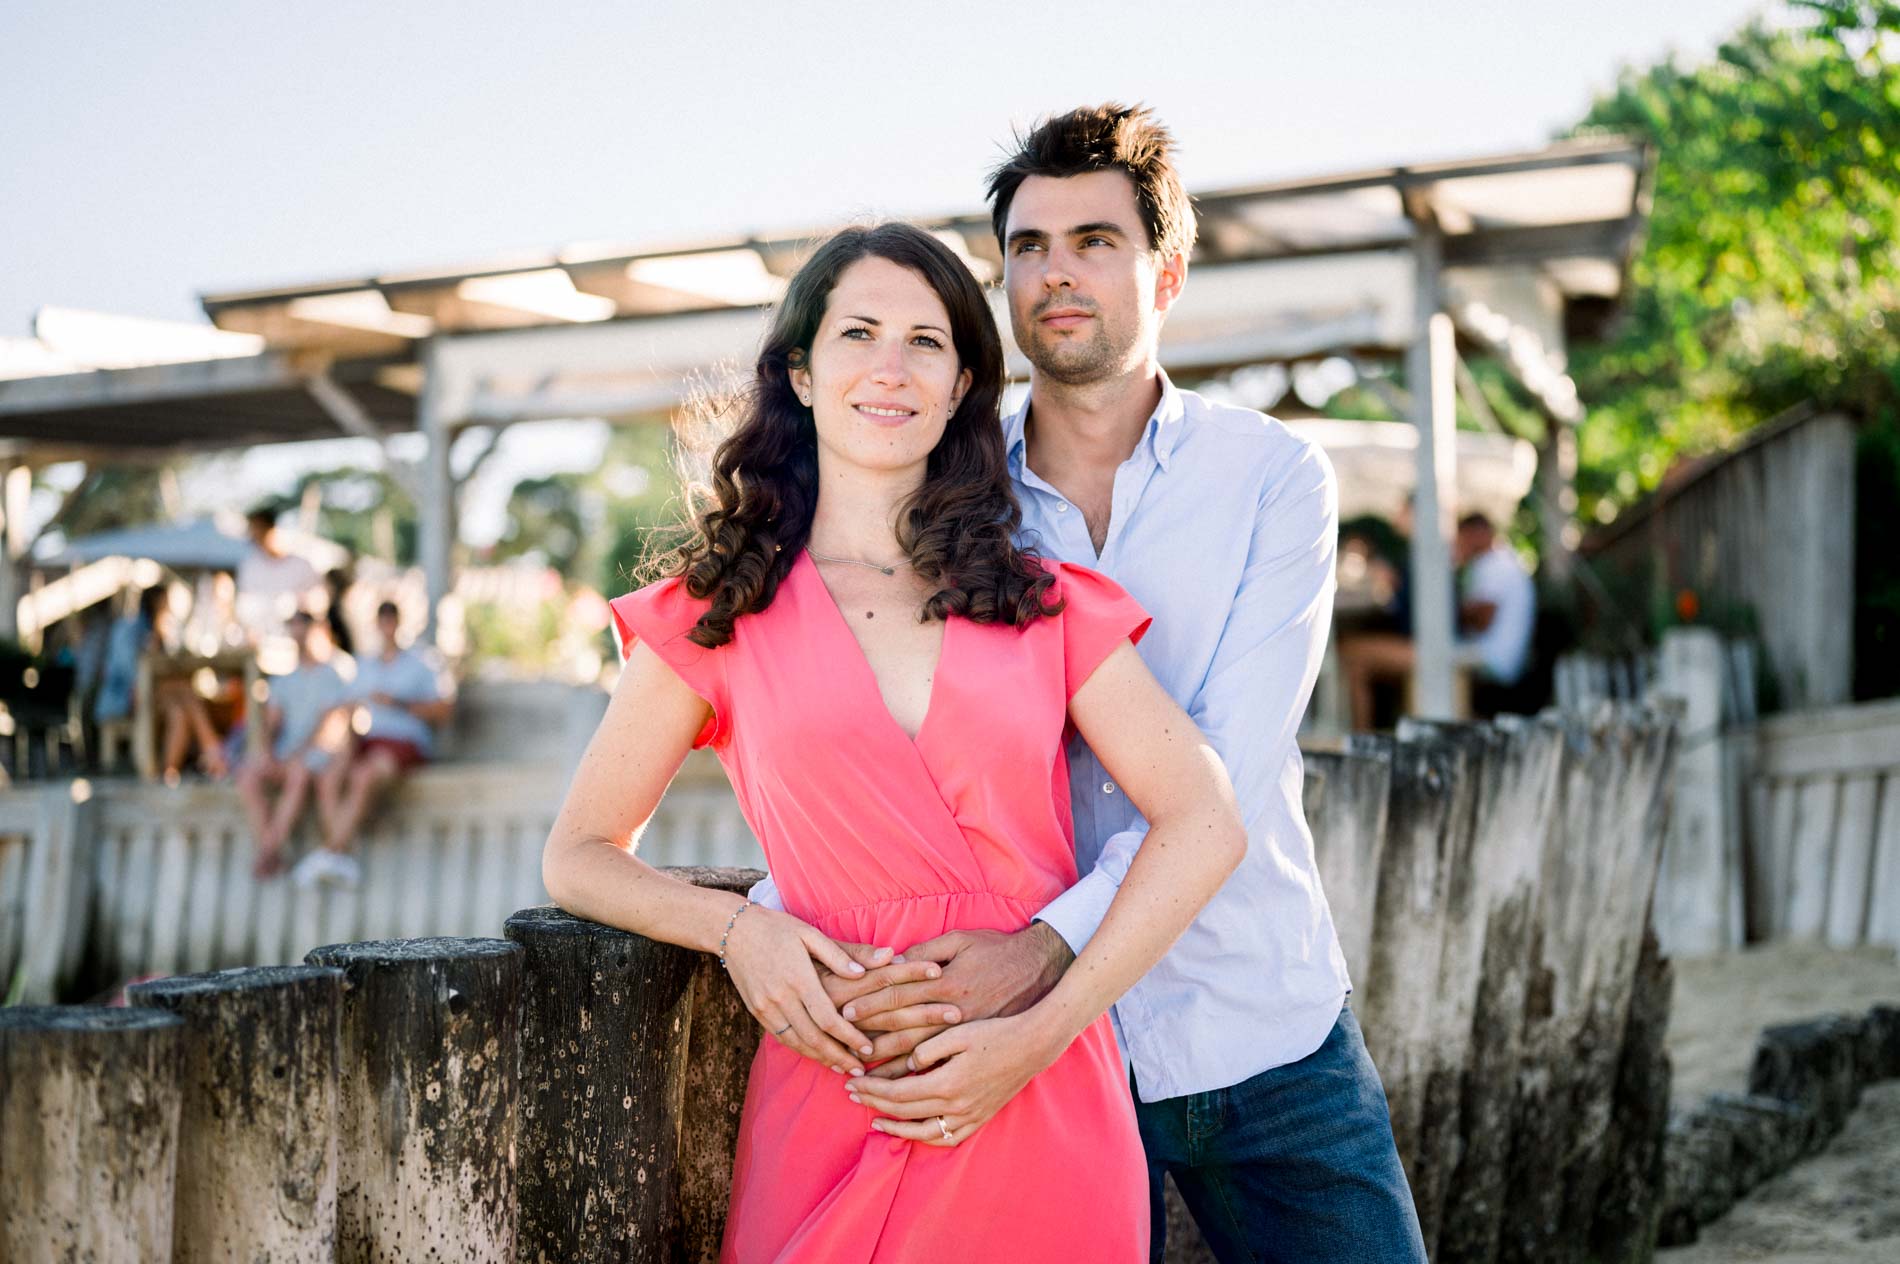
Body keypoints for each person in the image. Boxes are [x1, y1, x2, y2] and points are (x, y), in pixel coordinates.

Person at [784, 106, 1427, 1263]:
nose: (1055, 274)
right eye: (1027, 247)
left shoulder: (1271, 478)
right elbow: (853, 736)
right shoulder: (936, 496)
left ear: (1166, 271)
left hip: (1256, 1020)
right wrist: (762, 918)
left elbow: (1217, 770)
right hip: (1020, 1058)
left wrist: (1046, 948)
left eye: (1093, 240)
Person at [541, 222, 1247, 1262]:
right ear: (801, 371)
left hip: (1037, 1087)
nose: (889, 366)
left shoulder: (1040, 599)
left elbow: (1206, 820)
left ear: (963, 382)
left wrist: (1038, 1032)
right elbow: (579, 854)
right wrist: (739, 933)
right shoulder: (718, 605)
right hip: (836, 1084)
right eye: (858, 332)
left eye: (925, 341)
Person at [302, 600, 453, 888]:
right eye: (382, 620)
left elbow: (444, 710)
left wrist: (398, 703)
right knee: (328, 773)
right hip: (369, 738)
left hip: (404, 740)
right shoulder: (365, 665)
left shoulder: (423, 662)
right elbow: (343, 706)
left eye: (391, 620)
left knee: (363, 775)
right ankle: (338, 854)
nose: (387, 627)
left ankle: (330, 852)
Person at [238, 610, 348, 878]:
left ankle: (266, 853)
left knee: (298, 774)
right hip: (287, 753)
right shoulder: (284, 679)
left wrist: (297, 754)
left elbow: (330, 726)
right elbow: (272, 725)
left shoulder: (331, 675)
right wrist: (266, 752)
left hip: (316, 755)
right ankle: (271, 849)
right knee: (247, 776)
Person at [1452, 512, 1536, 688]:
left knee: (1431, 658)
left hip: (1494, 664)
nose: (1458, 543)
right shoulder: (1503, 560)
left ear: (1476, 533)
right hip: (1503, 663)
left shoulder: (1494, 565)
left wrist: (1458, 612)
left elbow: (1483, 621)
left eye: (1461, 537)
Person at [234, 505, 322, 648]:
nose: (255, 536)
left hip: (300, 646)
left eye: (259, 530)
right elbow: (245, 609)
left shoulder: (302, 565)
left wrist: (300, 603)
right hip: (264, 646)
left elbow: (319, 603)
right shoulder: (250, 567)